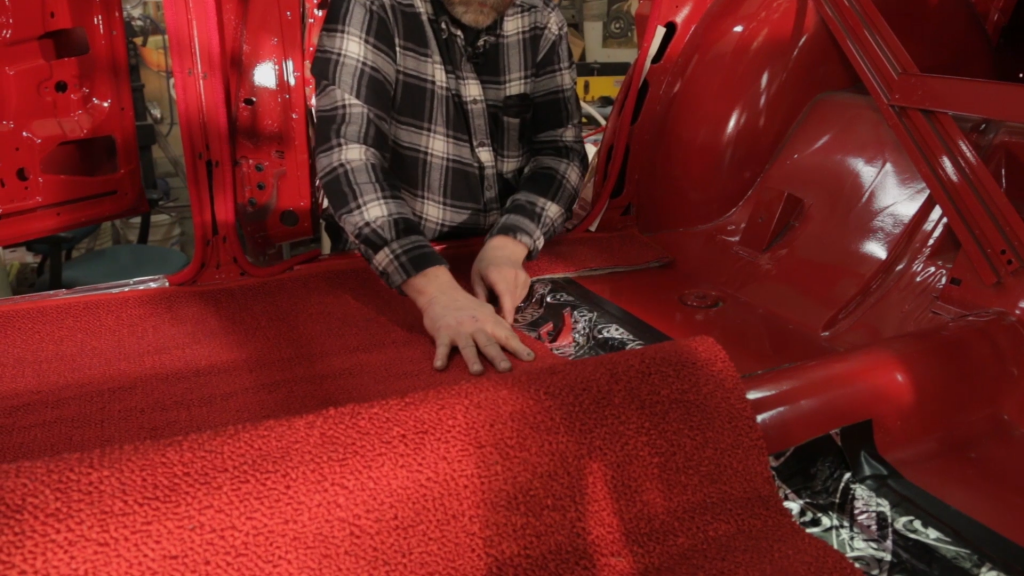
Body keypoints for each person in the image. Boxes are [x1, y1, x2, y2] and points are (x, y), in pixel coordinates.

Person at [312, 0, 587, 374]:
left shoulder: (539, 16)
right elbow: (348, 155)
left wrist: (510, 243)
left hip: (503, 257)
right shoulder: (374, 7)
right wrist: (436, 292)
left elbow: (560, 151)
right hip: (398, 263)